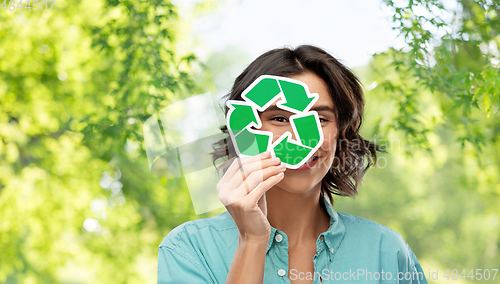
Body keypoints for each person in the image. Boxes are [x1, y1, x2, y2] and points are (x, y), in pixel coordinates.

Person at [157, 45, 428, 284]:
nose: (301, 140)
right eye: (279, 119)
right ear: (243, 128)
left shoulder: (387, 252)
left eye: (320, 119)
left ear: (342, 133)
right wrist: (252, 241)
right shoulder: (189, 249)